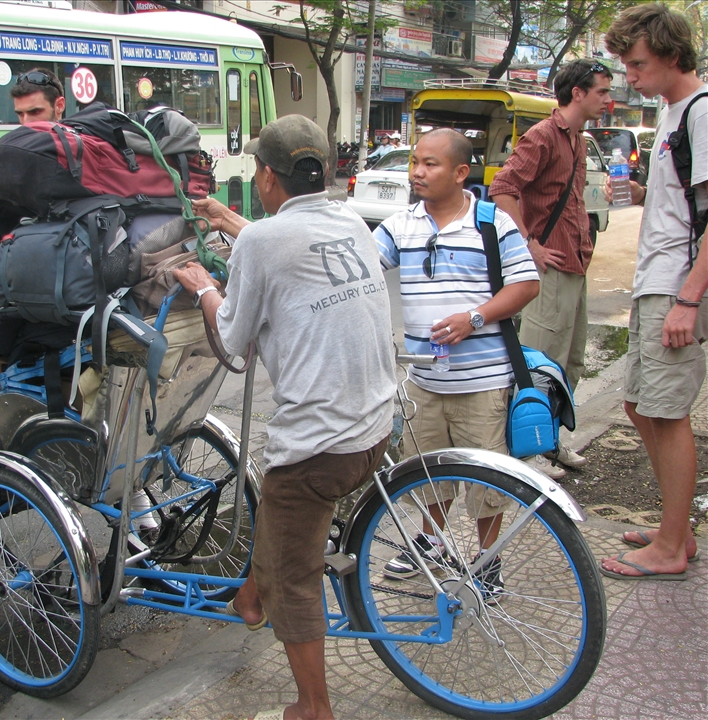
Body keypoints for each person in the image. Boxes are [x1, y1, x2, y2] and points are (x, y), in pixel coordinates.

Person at [173, 114, 396, 720]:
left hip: (321, 448)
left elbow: (232, 343)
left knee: (295, 571)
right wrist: (228, 221)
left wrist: (201, 286)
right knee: (279, 518)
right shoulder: (348, 220)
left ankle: (312, 707)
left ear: (268, 176)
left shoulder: (262, 243)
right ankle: (249, 599)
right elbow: (292, 249)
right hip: (377, 426)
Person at [373, 128, 540, 595]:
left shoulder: (491, 222)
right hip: (425, 380)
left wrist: (474, 317)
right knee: (425, 469)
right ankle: (429, 542)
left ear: (461, 172)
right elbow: (360, 267)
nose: (418, 172)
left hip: (484, 382)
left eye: (430, 164)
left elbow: (526, 284)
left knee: (487, 481)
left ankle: (488, 561)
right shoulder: (401, 225)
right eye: (414, 163)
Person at [599, 2, 707, 581]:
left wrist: (689, 298)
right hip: (654, 283)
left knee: (667, 413)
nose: (630, 76)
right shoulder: (671, 113)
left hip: (676, 286)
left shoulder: (702, 112)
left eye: (637, 64)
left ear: (670, 53)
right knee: (639, 405)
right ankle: (677, 526)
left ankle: (671, 546)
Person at [488, 58, 613, 480]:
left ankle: (552, 439)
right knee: (539, 363)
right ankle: (525, 452)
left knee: (570, 363)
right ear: (577, 93)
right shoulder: (544, 135)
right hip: (549, 269)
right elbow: (503, 189)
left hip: (574, 264)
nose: (607, 100)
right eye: (601, 92)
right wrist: (530, 245)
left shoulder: (577, 138)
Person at [0, 68, 66, 215]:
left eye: (35, 112)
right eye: (20, 114)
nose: (26, 122)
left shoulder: (81, 150)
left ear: (59, 106)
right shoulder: (4, 156)